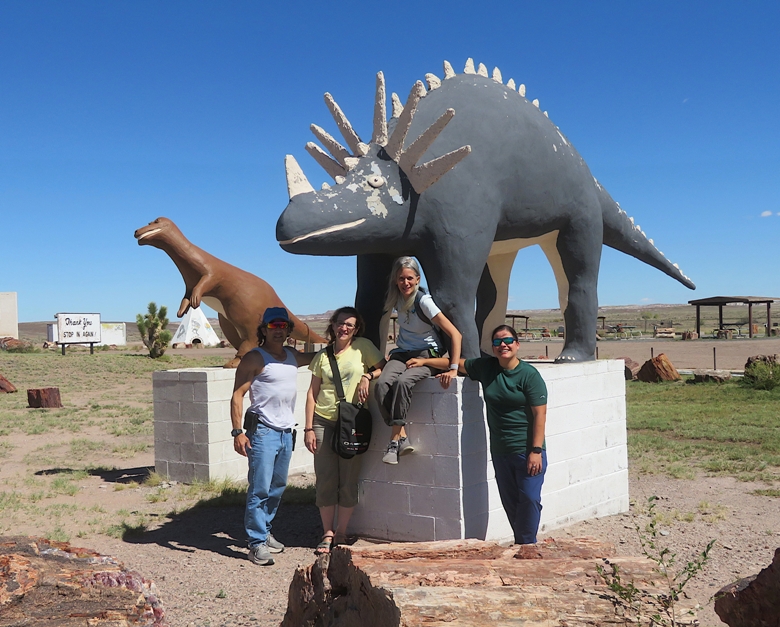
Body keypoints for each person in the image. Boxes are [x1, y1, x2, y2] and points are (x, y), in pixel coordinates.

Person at [411, 324, 548, 544]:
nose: (503, 345)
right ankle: (522, 542)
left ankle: (527, 545)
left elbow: (540, 415)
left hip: (526, 449)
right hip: (501, 450)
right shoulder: (487, 368)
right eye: (497, 342)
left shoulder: (529, 375)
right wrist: (425, 362)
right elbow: (454, 363)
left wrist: (536, 450)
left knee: (530, 498)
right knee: (511, 501)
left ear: (517, 345)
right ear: (492, 348)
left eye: (508, 341)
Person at [231, 307, 316, 566]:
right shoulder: (255, 358)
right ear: (264, 330)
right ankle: (255, 543)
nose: (278, 331)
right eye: (272, 327)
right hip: (263, 431)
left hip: (286, 432)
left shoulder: (292, 356)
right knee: (259, 489)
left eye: (282, 327)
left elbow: (317, 358)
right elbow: (237, 395)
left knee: (277, 488)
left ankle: (265, 532)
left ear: (288, 331)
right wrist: (237, 432)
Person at [304, 306, 385, 554]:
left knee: (349, 478)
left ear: (356, 329)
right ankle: (327, 533)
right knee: (325, 478)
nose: (344, 328)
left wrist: (367, 377)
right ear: (333, 325)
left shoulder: (363, 347)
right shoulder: (323, 356)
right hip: (323, 421)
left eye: (350, 324)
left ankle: (342, 532)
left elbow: (383, 365)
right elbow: (312, 393)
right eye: (341, 323)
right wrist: (308, 428)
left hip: (352, 422)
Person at [374, 257, 462, 465]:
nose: (406, 283)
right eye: (401, 278)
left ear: (417, 279)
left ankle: (393, 442)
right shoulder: (396, 299)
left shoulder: (424, 301)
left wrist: (453, 369)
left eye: (410, 278)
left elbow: (455, 334)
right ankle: (400, 434)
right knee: (382, 385)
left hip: (426, 355)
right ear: (396, 280)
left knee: (403, 382)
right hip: (402, 353)